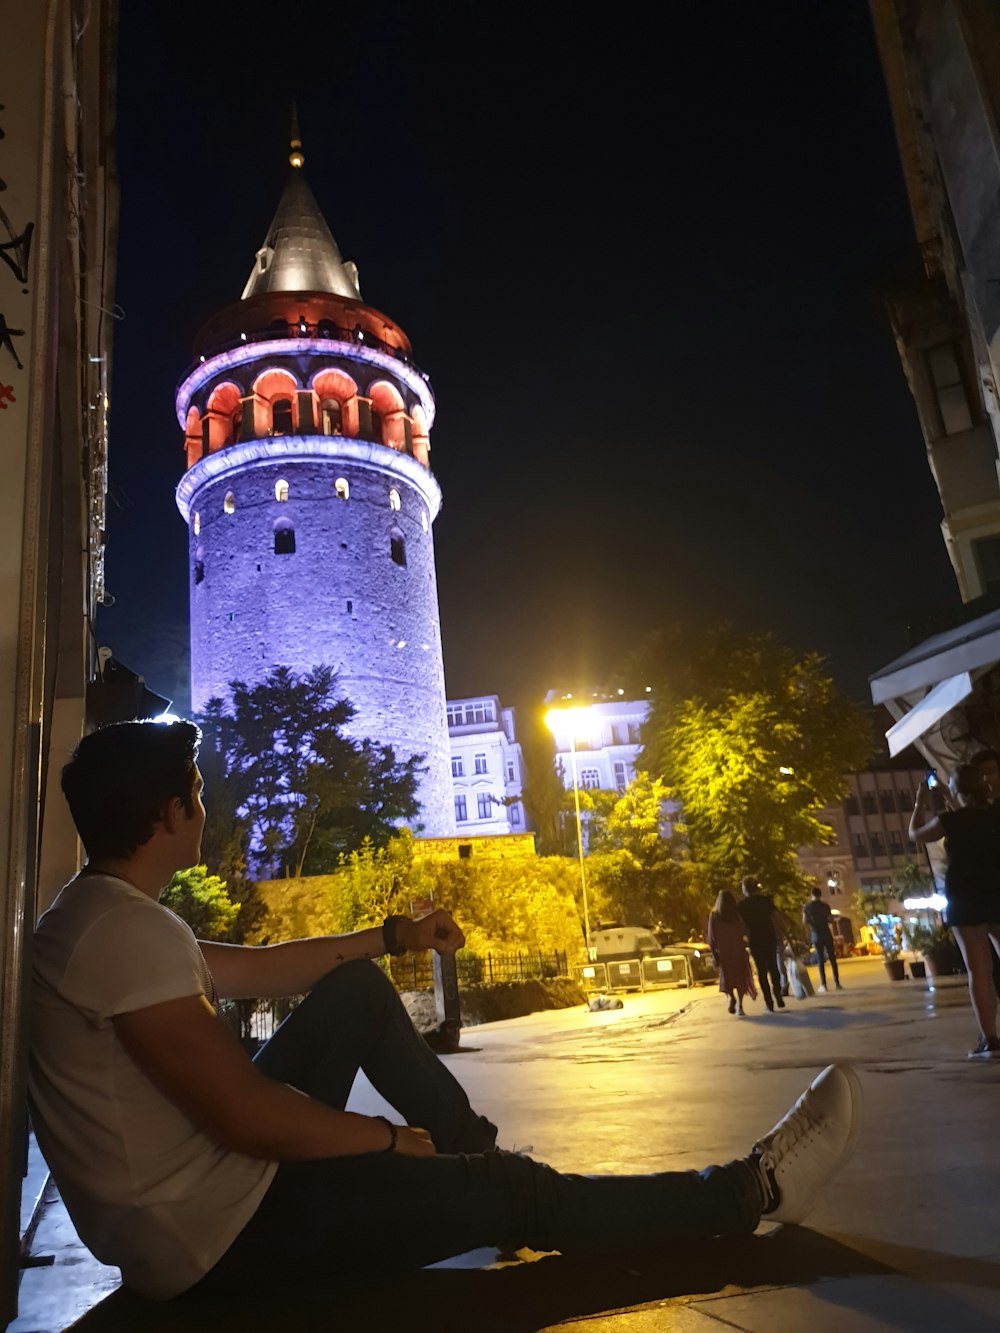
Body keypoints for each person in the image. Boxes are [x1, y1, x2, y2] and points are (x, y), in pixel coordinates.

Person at [29, 720, 863, 1301]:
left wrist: (395, 936)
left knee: (355, 990)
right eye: (198, 793)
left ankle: (474, 1161)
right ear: (167, 813)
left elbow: (260, 970)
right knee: (512, 1191)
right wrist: (387, 1139)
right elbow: (247, 1117)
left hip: (195, 1204)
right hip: (215, 1232)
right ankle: (746, 1192)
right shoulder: (120, 936)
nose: (207, 808)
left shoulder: (108, 916)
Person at [910, 764, 1000, 1059]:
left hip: (965, 897)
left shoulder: (951, 820)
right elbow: (972, 816)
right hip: (996, 891)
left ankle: (990, 1038)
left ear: (958, 790)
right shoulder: (994, 815)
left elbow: (916, 834)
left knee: (979, 970)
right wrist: (951, 793)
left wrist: (922, 800)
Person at [737, 877, 785, 1012]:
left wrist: (743, 936)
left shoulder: (741, 905)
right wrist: (780, 934)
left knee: (762, 972)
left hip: (754, 939)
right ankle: (778, 994)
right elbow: (776, 918)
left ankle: (769, 1002)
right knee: (773, 968)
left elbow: (740, 924)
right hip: (769, 936)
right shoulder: (765, 901)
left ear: (745, 889)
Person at [706, 890, 757, 1016]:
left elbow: (711, 937)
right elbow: (744, 931)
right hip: (738, 951)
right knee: (740, 978)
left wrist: (714, 953)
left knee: (727, 978)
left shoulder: (714, 916)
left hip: (724, 953)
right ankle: (740, 1005)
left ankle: (731, 997)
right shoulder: (736, 916)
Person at [802, 887, 842, 994]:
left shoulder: (807, 907)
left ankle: (823, 984)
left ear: (812, 895)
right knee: (832, 957)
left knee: (820, 959)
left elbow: (804, 921)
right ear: (820, 894)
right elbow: (831, 919)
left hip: (816, 934)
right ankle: (837, 982)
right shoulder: (825, 906)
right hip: (826, 932)